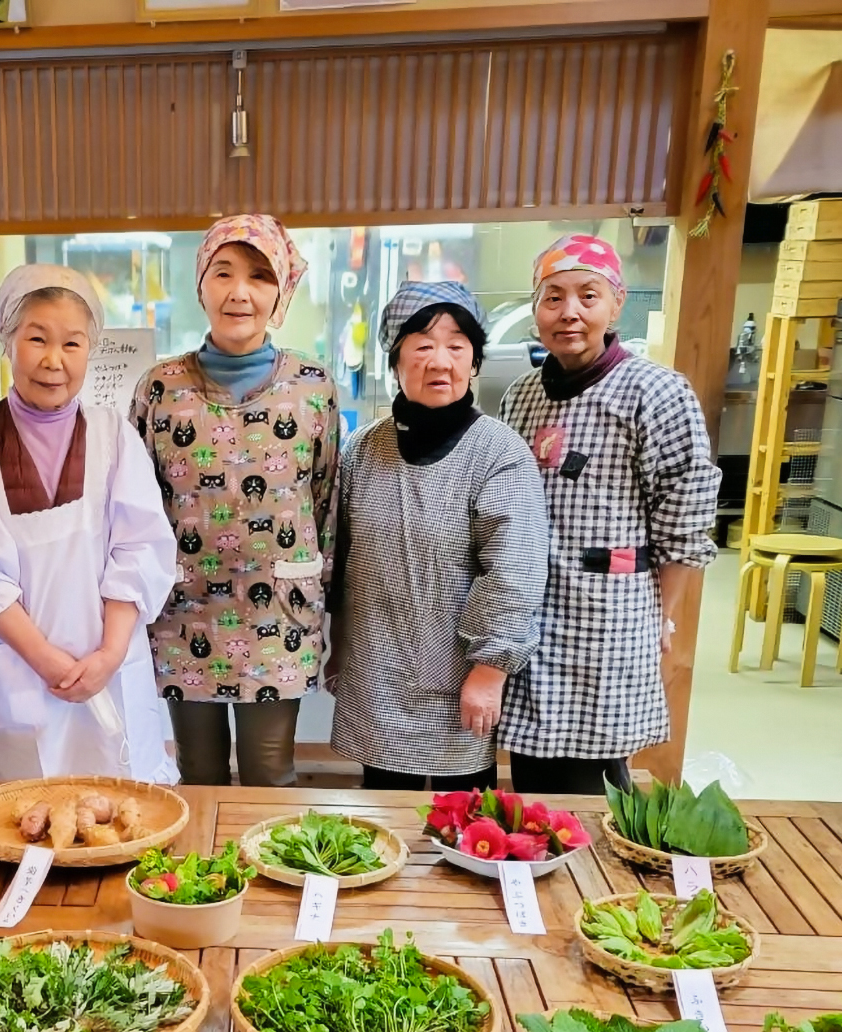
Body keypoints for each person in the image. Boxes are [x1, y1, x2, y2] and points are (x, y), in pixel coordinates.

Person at [0, 264, 177, 781]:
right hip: (22, 679)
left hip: (110, 671)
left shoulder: (114, 438)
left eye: (72, 343)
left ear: (91, 349)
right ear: (7, 340)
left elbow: (141, 551)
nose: (53, 361)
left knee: (124, 816)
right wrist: (46, 660)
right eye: (36, 338)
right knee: (31, 822)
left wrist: (109, 655)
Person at [498, 234, 719, 794]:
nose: (569, 312)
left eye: (588, 296)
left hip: (609, 615)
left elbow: (686, 520)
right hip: (530, 611)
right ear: (536, 309)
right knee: (532, 766)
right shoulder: (522, 395)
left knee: (594, 775)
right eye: (553, 297)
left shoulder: (657, 391)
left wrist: (660, 615)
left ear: (616, 304)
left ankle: (593, 881)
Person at [131, 213, 338, 788]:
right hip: (183, 610)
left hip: (280, 612)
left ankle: (273, 878)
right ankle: (205, 880)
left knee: (272, 772)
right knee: (197, 774)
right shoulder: (159, 388)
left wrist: (332, 607)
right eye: (223, 273)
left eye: (259, 276)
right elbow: (137, 510)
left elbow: (325, 501)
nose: (239, 292)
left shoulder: (313, 386)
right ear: (201, 285)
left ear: (281, 291)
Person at [328, 280, 548, 791]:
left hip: (461, 675)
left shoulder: (498, 452)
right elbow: (344, 558)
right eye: (422, 345)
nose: (440, 361)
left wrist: (490, 670)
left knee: (464, 824)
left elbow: (514, 570)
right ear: (396, 361)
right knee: (381, 821)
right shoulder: (362, 448)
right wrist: (337, 645)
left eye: (456, 346)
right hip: (376, 668)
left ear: (474, 362)